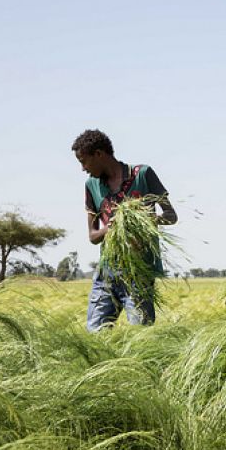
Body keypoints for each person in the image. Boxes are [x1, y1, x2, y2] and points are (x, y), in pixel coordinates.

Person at [72, 129, 177, 331]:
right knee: (95, 335)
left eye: (84, 161)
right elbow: (93, 237)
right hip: (107, 273)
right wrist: (108, 229)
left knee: (140, 336)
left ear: (99, 154)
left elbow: (171, 216)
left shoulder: (143, 175)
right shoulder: (91, 185)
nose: (83, 168)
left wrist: (148, 219)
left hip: (139, 272)